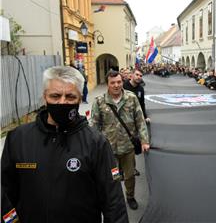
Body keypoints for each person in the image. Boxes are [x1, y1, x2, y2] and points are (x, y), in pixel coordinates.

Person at [1, 66, 128, 223]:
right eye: (55, 96)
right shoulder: (18, 139)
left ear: (80, 99)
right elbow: (5, 192)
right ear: (44, 97)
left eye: (70, 97)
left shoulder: (96, 143)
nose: (62, 102)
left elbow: (113, 202)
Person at [91, 70, 150, 211]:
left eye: (119, 82)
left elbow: (140, 120)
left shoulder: (131, 98)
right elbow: (94, 126)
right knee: (113, 177)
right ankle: (114, 200)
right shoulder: (99, 101)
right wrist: (95, 147)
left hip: (128, 148)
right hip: (109, 150)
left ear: (122, 81)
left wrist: (144, 140)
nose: (116, 85)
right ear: (108, 84)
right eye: (113, 83)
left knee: (129, 176)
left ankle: (130, 197)